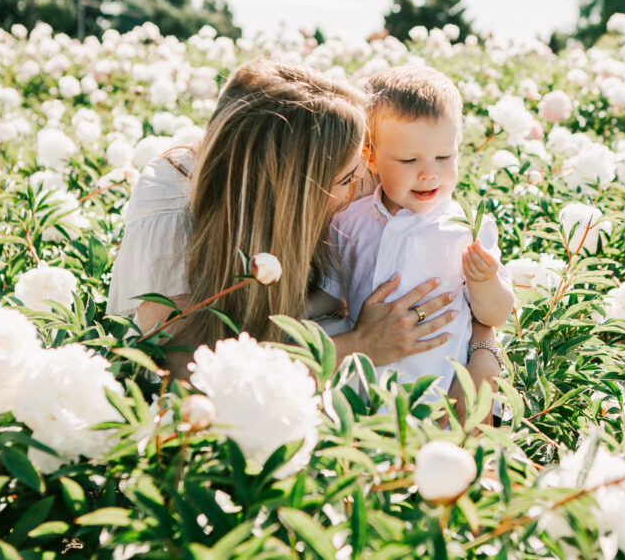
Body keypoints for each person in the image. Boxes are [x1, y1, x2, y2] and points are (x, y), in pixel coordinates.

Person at [106, 59, 459, 379]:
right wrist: (358, 344)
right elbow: (185, 365)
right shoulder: (172, 196)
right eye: (346, 180)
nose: (362, 190)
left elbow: (451, 239)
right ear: (294, 190)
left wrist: (484, 351)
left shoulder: (343, 163)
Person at [310, 65, 515, 404]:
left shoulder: (466, 230)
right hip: (362, 391)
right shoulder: (349, 221)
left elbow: (495, 315)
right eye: (408, 160)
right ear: (370, 157)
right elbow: (331, 297)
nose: (428, 173)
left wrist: (485, 281)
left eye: (443, 157)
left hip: (438, 395)